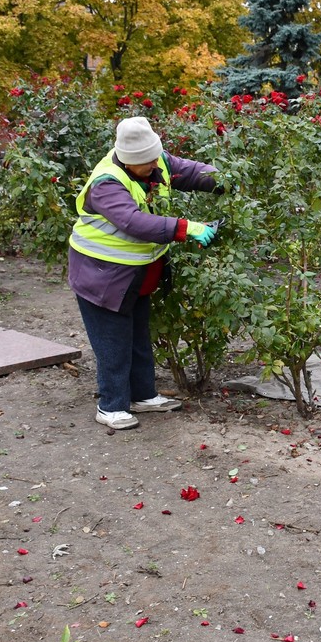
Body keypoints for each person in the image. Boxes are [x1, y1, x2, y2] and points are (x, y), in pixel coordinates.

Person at [68, 116, 223, 430]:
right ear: (128, 161)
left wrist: (227, 178)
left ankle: (143, 396)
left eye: (157, 156)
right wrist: (186, 228)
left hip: (133, 276)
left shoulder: (155, 160)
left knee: (139, 336)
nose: (156, 164)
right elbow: (134, 222)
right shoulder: (107, 183)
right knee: (113, 343)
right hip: (101, 277)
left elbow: (189, 172)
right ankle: (111, 406)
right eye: (148, 162)